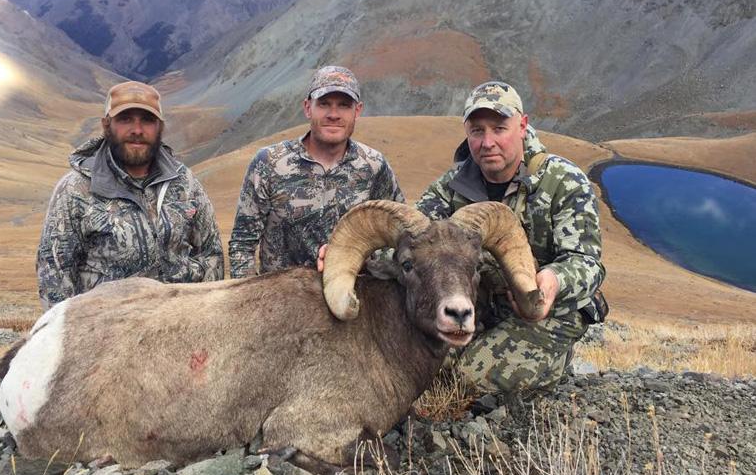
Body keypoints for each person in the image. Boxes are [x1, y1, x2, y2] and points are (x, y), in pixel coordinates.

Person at [417, 81, 606, 392]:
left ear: (522, 125)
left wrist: (553, 281)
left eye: (499, 128)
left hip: (546, 309)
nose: (488, 142)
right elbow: (417, 240)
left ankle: (555, 358)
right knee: (426, 368)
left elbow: (587, 262)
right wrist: (365, 254)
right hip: (480, 304)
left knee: (466, 381)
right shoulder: (451, 187)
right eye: (477, 130)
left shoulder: (563, 181)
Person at [37, 81, 224, 309]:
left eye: (147, 120)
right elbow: (54, 274)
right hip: (108, 331)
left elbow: (211, 254)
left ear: (160, 127)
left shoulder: (185, 182)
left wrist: (207, 319)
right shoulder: (75, 189)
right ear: (107, 125)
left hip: (181, 326)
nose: (137, 130)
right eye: (125, 119)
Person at [229, 65, 405, 278]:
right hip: (284, 301)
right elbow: (242, 243)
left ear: (357, 110)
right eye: (323, 104)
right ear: (307, 107)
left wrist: (361, 259)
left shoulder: (374, 166)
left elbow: (401, 240)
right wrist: (253, 302)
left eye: (343, 105)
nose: (333, 114)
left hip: (356, 299)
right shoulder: (269, 163)